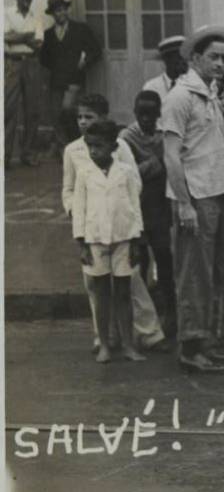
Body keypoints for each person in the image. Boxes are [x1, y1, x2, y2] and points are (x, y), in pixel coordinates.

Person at [64, 93, 166, 354]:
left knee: (130, 281)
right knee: (94, 284)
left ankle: (148, 332)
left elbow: (135, 183)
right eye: (80, 117)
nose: (84, 122)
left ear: (104, 119)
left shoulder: (119, 146)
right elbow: (69, 188)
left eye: (90, 117)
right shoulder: (73, 150)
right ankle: (104, 338)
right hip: (92, 226)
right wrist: (76, 212)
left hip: (120, 225)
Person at [161, 25, 224, 373]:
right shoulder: (180, 97)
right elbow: (172, 156)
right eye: (213, 57)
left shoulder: (210, 94)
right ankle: (190, 347)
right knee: (194, 274)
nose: (220, 63)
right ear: (195, 59)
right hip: (196, 197)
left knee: (213, 271)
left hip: (218, 192)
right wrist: (185, 203)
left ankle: (206, 339)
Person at [72, 120, 146, 363]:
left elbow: (134, 207)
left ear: (114, 147)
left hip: (123, 238)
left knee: (124, 292)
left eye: (99, 146)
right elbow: (79, 209)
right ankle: (104, 343)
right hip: (95, 240)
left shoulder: (125, 172)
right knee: (102, 293)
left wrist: (136, 240)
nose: (94, 151)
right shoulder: (84, 173)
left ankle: (128, 344)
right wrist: (81, 244)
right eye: (90, 146)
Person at [119, 91, 176, 334]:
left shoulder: (163, 137)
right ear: (134, 113)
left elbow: (172, 166)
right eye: (141, 114)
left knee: (165, 260)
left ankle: (170, 315)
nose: (146, 119)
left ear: (158, 114)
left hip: (159, 207)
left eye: (151, 115)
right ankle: (140, 323)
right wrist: (157, 163)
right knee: (139, 264)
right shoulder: (125, 138)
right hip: (137, 208)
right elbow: (128, 174)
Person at [39, 0, 101, 149]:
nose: (61, 14)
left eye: (63, 10)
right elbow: (44, 59)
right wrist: (53, 69)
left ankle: (76, 142)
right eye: (57, 11)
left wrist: (84, 62)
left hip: (74, 79)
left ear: (67, 10)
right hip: (56, 81)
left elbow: (96, 50)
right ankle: (64, 147)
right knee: (55, 114)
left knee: (67, 109)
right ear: (52, 14)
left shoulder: (80, 29)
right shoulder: (48, 34)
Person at [5, 0, 45, 167]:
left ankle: (28, 154)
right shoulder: (5, 14)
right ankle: (4, 156)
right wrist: (25, 36)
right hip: (12, 64)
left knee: (33, 110)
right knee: (8, 110)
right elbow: (4, 38)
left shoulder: (36, 17)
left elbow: (38, 45)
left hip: (32, 64)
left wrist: (15, 36)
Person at [143, 35, 188, 100]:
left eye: (186, 57)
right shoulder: (152, 88)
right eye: (179, 57)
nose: (184, 61)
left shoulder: (195, 85)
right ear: (166, 59)